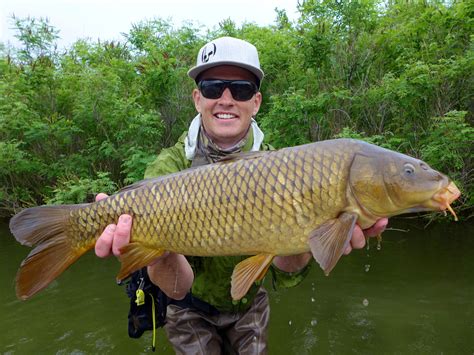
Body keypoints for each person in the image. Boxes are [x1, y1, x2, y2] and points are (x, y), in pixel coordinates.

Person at [94, 36, 388, 354]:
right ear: (197, 98)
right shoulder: (168, 169)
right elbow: (177, 288)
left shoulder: (287, 166)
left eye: (241, 89)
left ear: (256, 102)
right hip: (187, 305)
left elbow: (288, 270)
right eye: (212, 87)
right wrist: (154, 251)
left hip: (249, 304)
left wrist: (314, 233)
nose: (226, 98)